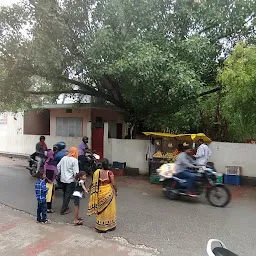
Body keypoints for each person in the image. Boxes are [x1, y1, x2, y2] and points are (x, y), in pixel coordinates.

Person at [88, 158, 117, 233]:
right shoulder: (109, 173)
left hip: (100, 192)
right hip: (108, 192)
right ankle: (109, 225)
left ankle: (100, 227)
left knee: (100, 209)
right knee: (109, 209)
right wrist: (116, 191)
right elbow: (113, 184)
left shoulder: (97, 172)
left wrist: (89, 188)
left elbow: (93, 182)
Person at [57, 147, 79, 215]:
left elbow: (58, 166)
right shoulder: (74, 160)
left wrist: (60, 173)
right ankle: (63, 210)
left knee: (65, 194)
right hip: (70, 180)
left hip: (63, 179)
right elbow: (76, 172)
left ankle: (65, 207)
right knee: (68, 195)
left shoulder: (64, 158)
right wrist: (77, 180)